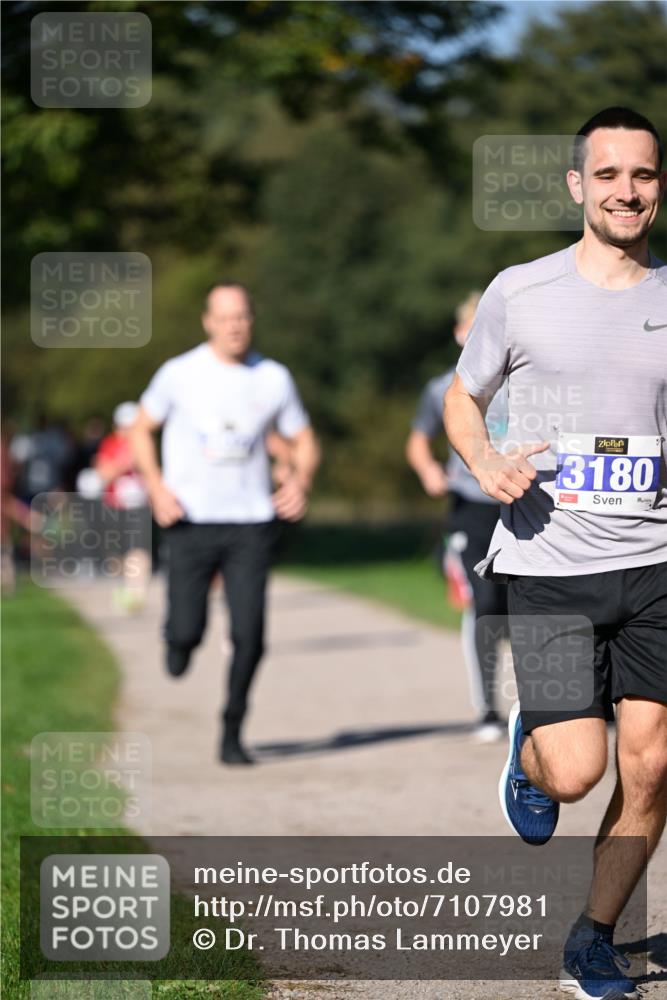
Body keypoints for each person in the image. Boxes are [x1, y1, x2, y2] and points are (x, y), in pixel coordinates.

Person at [444, 107, 666, 1000]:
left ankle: (593, 938)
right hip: (543, 565)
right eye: (607, 174)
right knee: (576, 772)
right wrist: (484, 459)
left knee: (651, 762)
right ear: (578, 186)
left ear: (658, 185)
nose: (626, 191)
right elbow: (465, 399)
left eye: (642, 175)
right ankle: (528, 747)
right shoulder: (519, 291)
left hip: (654, 563)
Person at [131, 282, 319, 765]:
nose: (236, 326)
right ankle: (178, 639)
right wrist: (155, 487)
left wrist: (299, 480)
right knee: (188, 629)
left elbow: (303, 439)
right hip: (190, 519)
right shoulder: (179, 374)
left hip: (251, 523)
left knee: (251, 635)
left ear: (252, 321)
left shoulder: (273, 377)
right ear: (208, 321)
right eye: (226, 317)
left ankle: (232, 728)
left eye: (243, 317)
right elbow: (139, 429)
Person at [406, 292, 508, 743]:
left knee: (536, 608)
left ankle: (562, 706)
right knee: (484, 606)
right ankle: (486, 708)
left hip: (524, 503)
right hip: (472, 508)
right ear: (459, 334)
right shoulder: (442, 387)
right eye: (472, 327)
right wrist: (429, 469)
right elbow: (418, 440)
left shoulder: (525, 382)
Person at [94, 402, 151, 613]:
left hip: (138, 506)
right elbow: (102, 474)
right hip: (115, 505)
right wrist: (124, 463)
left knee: (139, 550)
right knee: (116, 555)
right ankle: (123, 589)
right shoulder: (110, 444)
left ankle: (136, 594)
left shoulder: (144, 442)